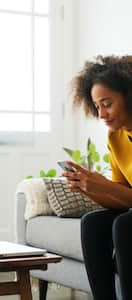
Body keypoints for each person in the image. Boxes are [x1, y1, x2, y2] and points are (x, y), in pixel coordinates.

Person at [63, 55, 132, 300]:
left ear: (128, 97)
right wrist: (88, 189)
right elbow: (125, 200)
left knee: (125, 225)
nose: (101, 114)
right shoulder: (116, 137)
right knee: (93, 223)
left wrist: (104, 186)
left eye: (107, 103)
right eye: (97, 106)